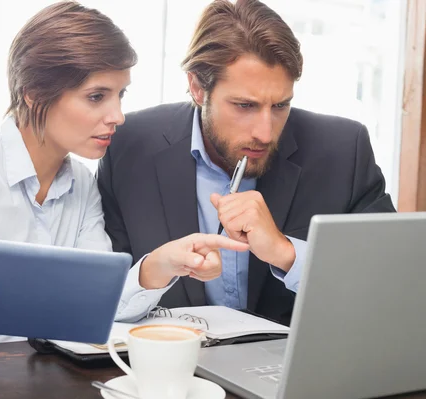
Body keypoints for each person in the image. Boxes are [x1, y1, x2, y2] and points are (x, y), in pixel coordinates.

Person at [0, 0, 248, 375]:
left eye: (120, 95)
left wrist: (160, 264)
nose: (118, 116)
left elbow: (98, 304)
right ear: (35, 94)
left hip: (36, 377)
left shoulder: (81, 184)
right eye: (96, 97)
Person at [97, 0, 396, 327]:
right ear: (197, 87)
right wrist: (152, 271)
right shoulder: (128, 145)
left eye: (281, 105)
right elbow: (102, 297)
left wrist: (286, 253)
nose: (266, 133)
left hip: (292, 370)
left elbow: (391, 280)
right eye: (244, 105)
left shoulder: (343, 150)